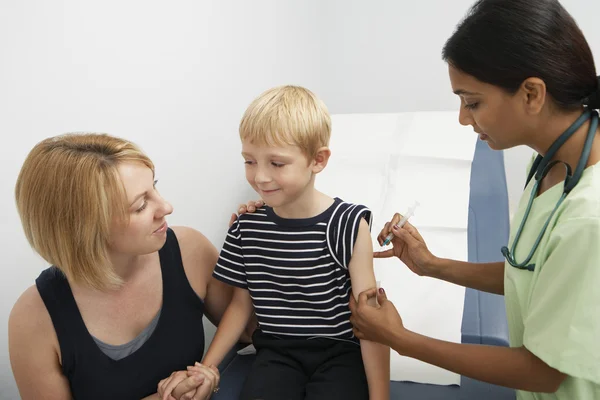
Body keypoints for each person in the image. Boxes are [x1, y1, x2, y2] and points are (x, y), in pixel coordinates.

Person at [349, 0, 600, 399]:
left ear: (532, 94)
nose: (463, 119)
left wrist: (400, 338)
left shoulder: (590, 218)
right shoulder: (550, 163)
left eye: (473, 102)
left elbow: (543, 372)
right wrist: (432, 265)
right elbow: (537, 274)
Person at [176, 85, 390, 400]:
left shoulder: (349, 225)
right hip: (276, 351)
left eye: (276, 164)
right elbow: (240, 305)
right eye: (250, 161)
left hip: (340, 352)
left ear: (318, 160)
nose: (260, 176)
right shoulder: (246, 227)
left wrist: (380, 396)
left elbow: (370, 318)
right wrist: (207, 367)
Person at [8, 133, 257, 400]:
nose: (166, 207)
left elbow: (251, 333)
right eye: (140, 206)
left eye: (155, 187)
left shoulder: (190, 252)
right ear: (85, 230)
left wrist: (270, 238)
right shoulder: (34, 318)